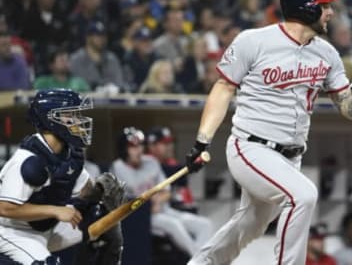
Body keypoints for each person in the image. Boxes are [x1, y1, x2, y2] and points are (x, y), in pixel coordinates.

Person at [185, 0, 352, 265]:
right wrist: (202, 140)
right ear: (307, 8)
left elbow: (346, 109)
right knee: (303, 195)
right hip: (251, 147)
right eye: (325, 6)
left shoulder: (327, 53)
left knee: (247, 226)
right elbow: (223, 88)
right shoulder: (254, 40)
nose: (331, 13)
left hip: (290, 157)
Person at [0, 89, 124, 264]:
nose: (78, 121)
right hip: (11, 232)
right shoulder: (27, 160)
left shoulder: (69, 154)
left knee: (104, 221)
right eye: (70, 115)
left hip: (46, 228)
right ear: (50, 119)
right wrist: (55, 211)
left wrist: (101, 192)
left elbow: (85, 192)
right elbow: (4, 208)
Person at [110, 127, 213, 257]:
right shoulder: (117, 168)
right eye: (133, 146)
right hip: (142, 218)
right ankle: (201, 260)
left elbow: (166, 190)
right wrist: (148, 205)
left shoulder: (151, 162)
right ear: (124, 149)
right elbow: (123, 202)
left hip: (165, 210)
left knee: (205, 225)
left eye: (141, 145)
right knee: (174, 225)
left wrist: (159, 200)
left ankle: (197, 260)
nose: (139, 150)